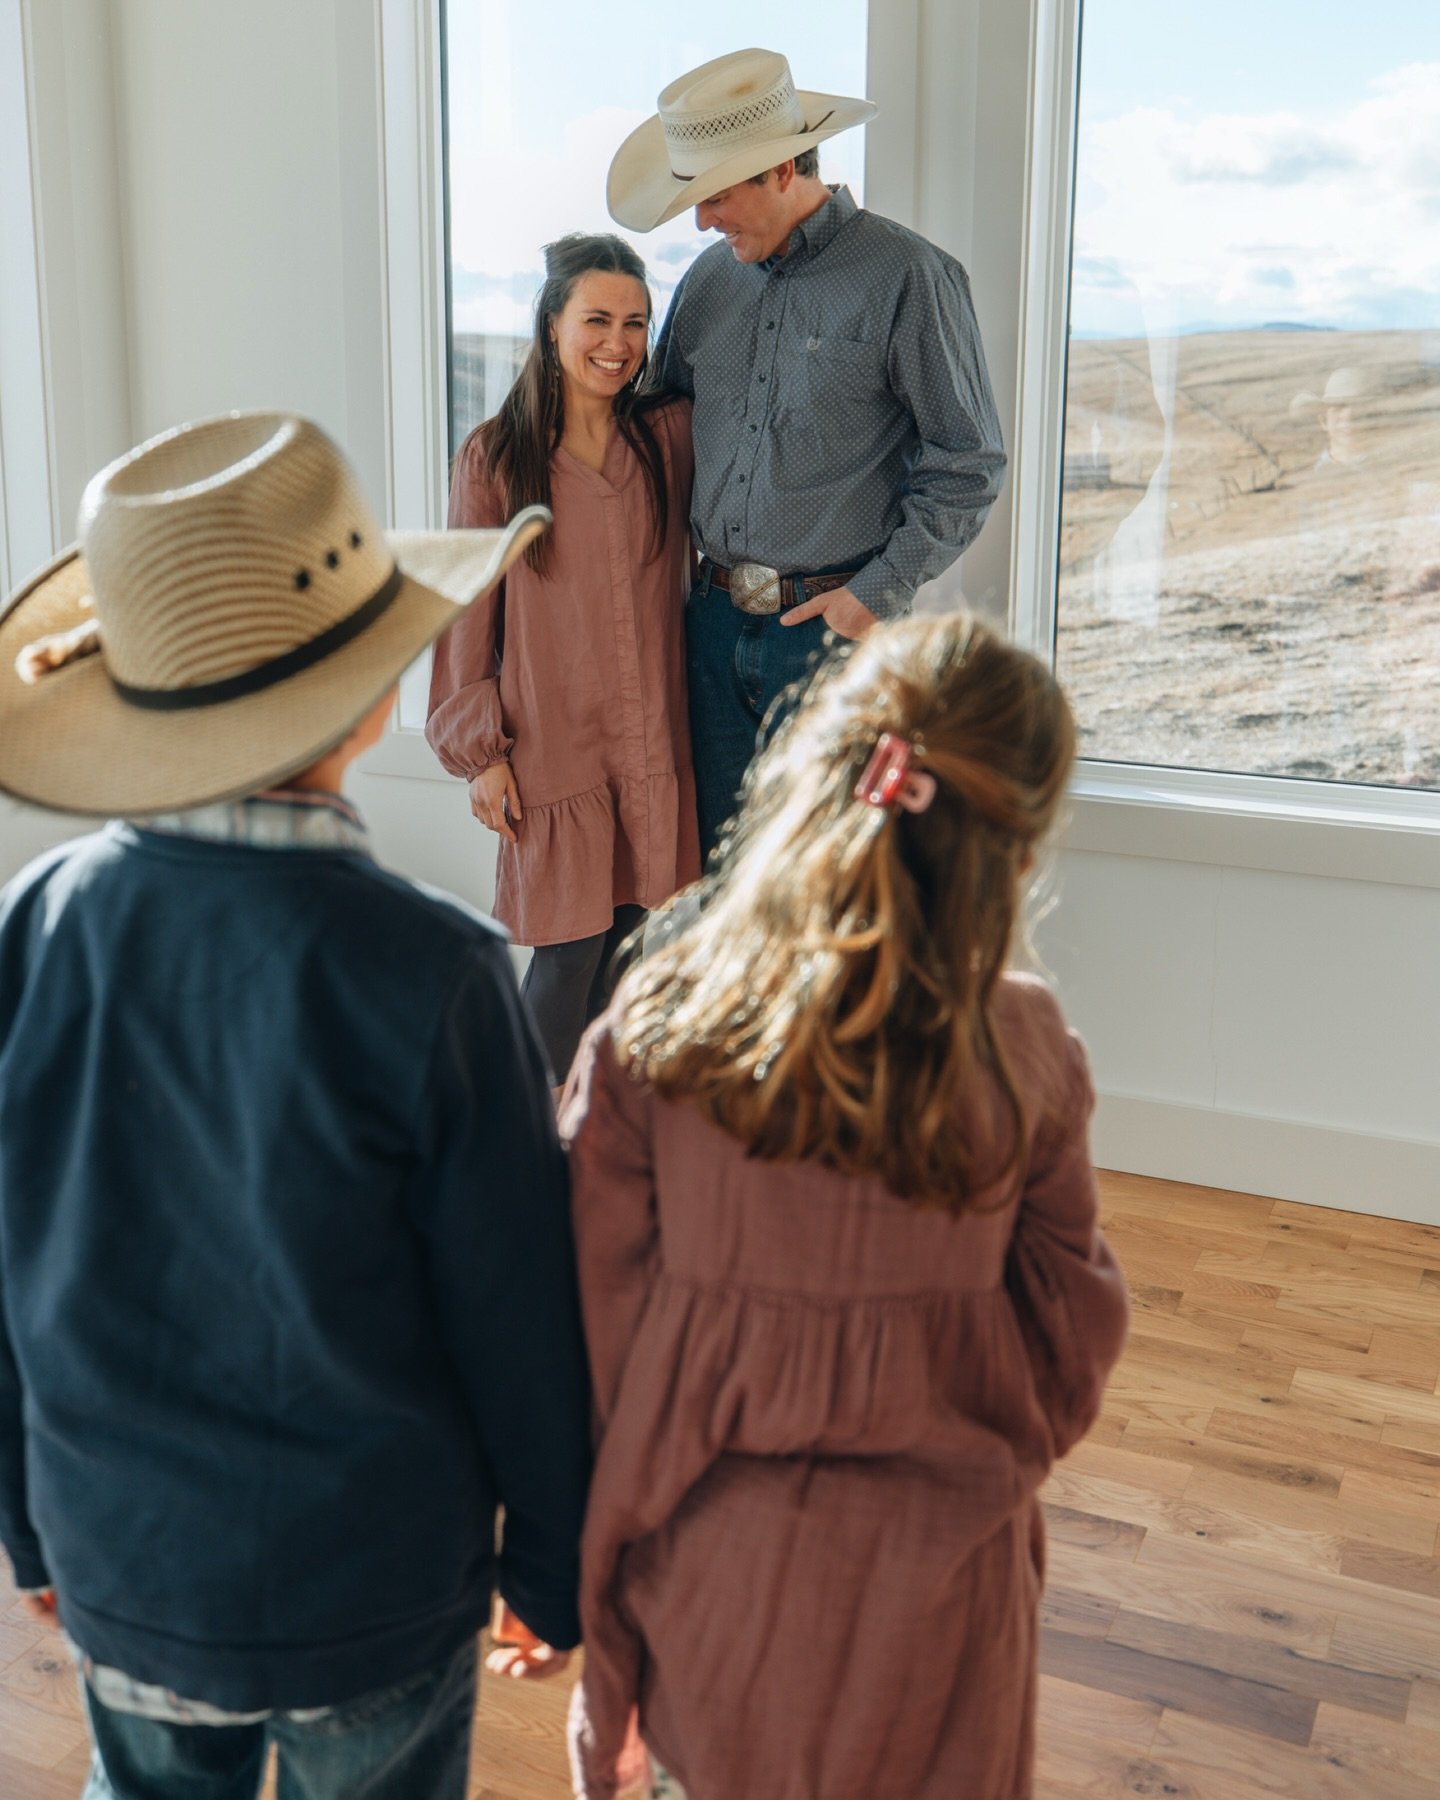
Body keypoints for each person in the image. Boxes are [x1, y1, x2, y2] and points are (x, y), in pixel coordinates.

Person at [0, 412, 592, 1800]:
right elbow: (519, 1311)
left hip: (122, 1559)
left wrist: (30, 1531)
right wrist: (553, 1564)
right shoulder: (437, 969)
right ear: (371, 694)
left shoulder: (28, 934)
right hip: (372, 1585)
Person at [562, 614, 1130, 1799]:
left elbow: (593, 1334)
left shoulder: (654, 1032)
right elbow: (1070, 1346)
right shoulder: (1024, 1044)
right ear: (1015, 843)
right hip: (945, 1628)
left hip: (710, 1606)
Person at [608, 48, 1008, 859]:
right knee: (723, 877)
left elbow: (968, 463)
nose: (702, 222)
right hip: (708, 630)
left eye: (716, 196)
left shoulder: (909, 277)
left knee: (828, 878)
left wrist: (869, 599)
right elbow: (654, 428)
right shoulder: (708, 284)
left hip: (831, 635)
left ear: (784, 168)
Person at [427, 233, 698, 1086]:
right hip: (552, 747)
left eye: (635, 323)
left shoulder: (669, 440)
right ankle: (521, 1150)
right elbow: (467, 612)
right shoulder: (497, 458)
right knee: (567, 956)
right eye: (596, 320)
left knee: (630, 951)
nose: (617, 343)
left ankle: (595, 1151)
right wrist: (481, 757)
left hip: (652, 740)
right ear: (551, 326)